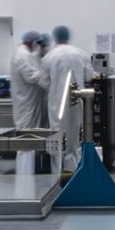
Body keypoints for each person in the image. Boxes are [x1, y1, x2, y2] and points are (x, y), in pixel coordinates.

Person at [41, 25, 90, 170]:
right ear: (68, 36)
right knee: (76, 136)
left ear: (55, 37)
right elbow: (89, 76)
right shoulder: (80, 54)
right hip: (77, 101)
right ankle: (76, 170)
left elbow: (43, 81)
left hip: (57, 104)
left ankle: (58, 172)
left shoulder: (50, 56)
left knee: (58, 136)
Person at [9, 31, 50, 130]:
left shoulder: (25, 53)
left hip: (29, 99)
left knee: (32, 129)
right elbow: (30, 77)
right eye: (37, 43)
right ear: (33, 42)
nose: (37, 47)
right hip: (26, 101)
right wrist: (46, 72)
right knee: (27, 129)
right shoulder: (22, 55)